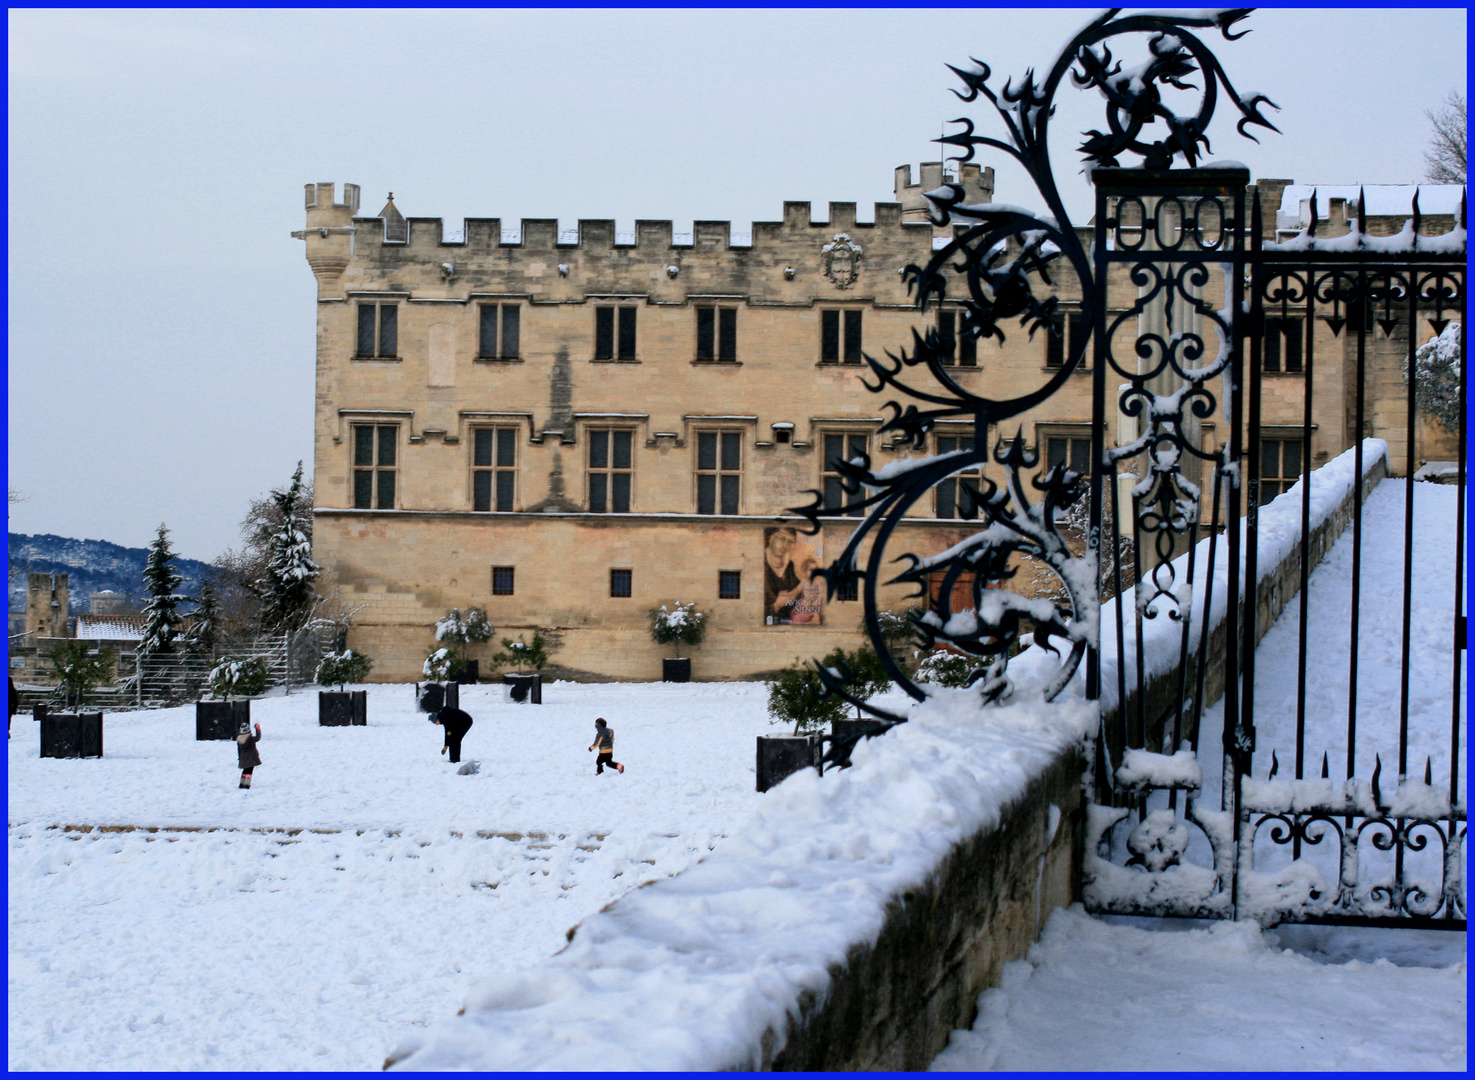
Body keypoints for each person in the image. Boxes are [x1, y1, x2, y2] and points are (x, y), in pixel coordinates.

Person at [236, 722, 262, 789]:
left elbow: (239, 750)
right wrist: (258, 730)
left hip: (243, 758)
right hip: (251, 758)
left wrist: (240, 758)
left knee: (245, 771)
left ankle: (242, 784)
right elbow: (258, 738)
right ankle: (247, 784)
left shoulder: (239, 739)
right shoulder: (250, 738)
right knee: (249, 771)